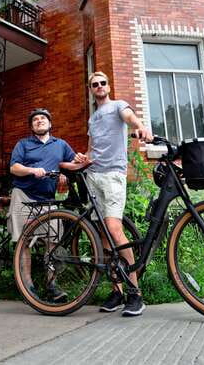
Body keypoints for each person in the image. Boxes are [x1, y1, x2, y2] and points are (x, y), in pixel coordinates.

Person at [75, 71, 152, 317]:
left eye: (102, 83)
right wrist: (83, 160)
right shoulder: (93, 118)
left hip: (113, 175)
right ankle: (116, 290)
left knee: (115, 229)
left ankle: (135, 293)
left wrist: (140, 126)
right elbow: (91, 148)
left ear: (108, 86)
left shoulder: (118, 106)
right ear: (90, 89)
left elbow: (130, 117)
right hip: (93, 175)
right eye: (94, 84)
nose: (99, 86)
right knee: (103, 236)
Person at [8, 108, 88, 302]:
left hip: (48, 199)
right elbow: (14, 167)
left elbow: (70, 164)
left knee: (53, 240)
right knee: (24, 241)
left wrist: (76, 166)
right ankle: (27, 286)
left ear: (50, 124)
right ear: (32, 126)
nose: (39, 121)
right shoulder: (23, 144)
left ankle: (52, 285)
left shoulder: (60, 144)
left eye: (43, 118)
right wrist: (31, 170)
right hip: (23, 195)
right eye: (35, 119)